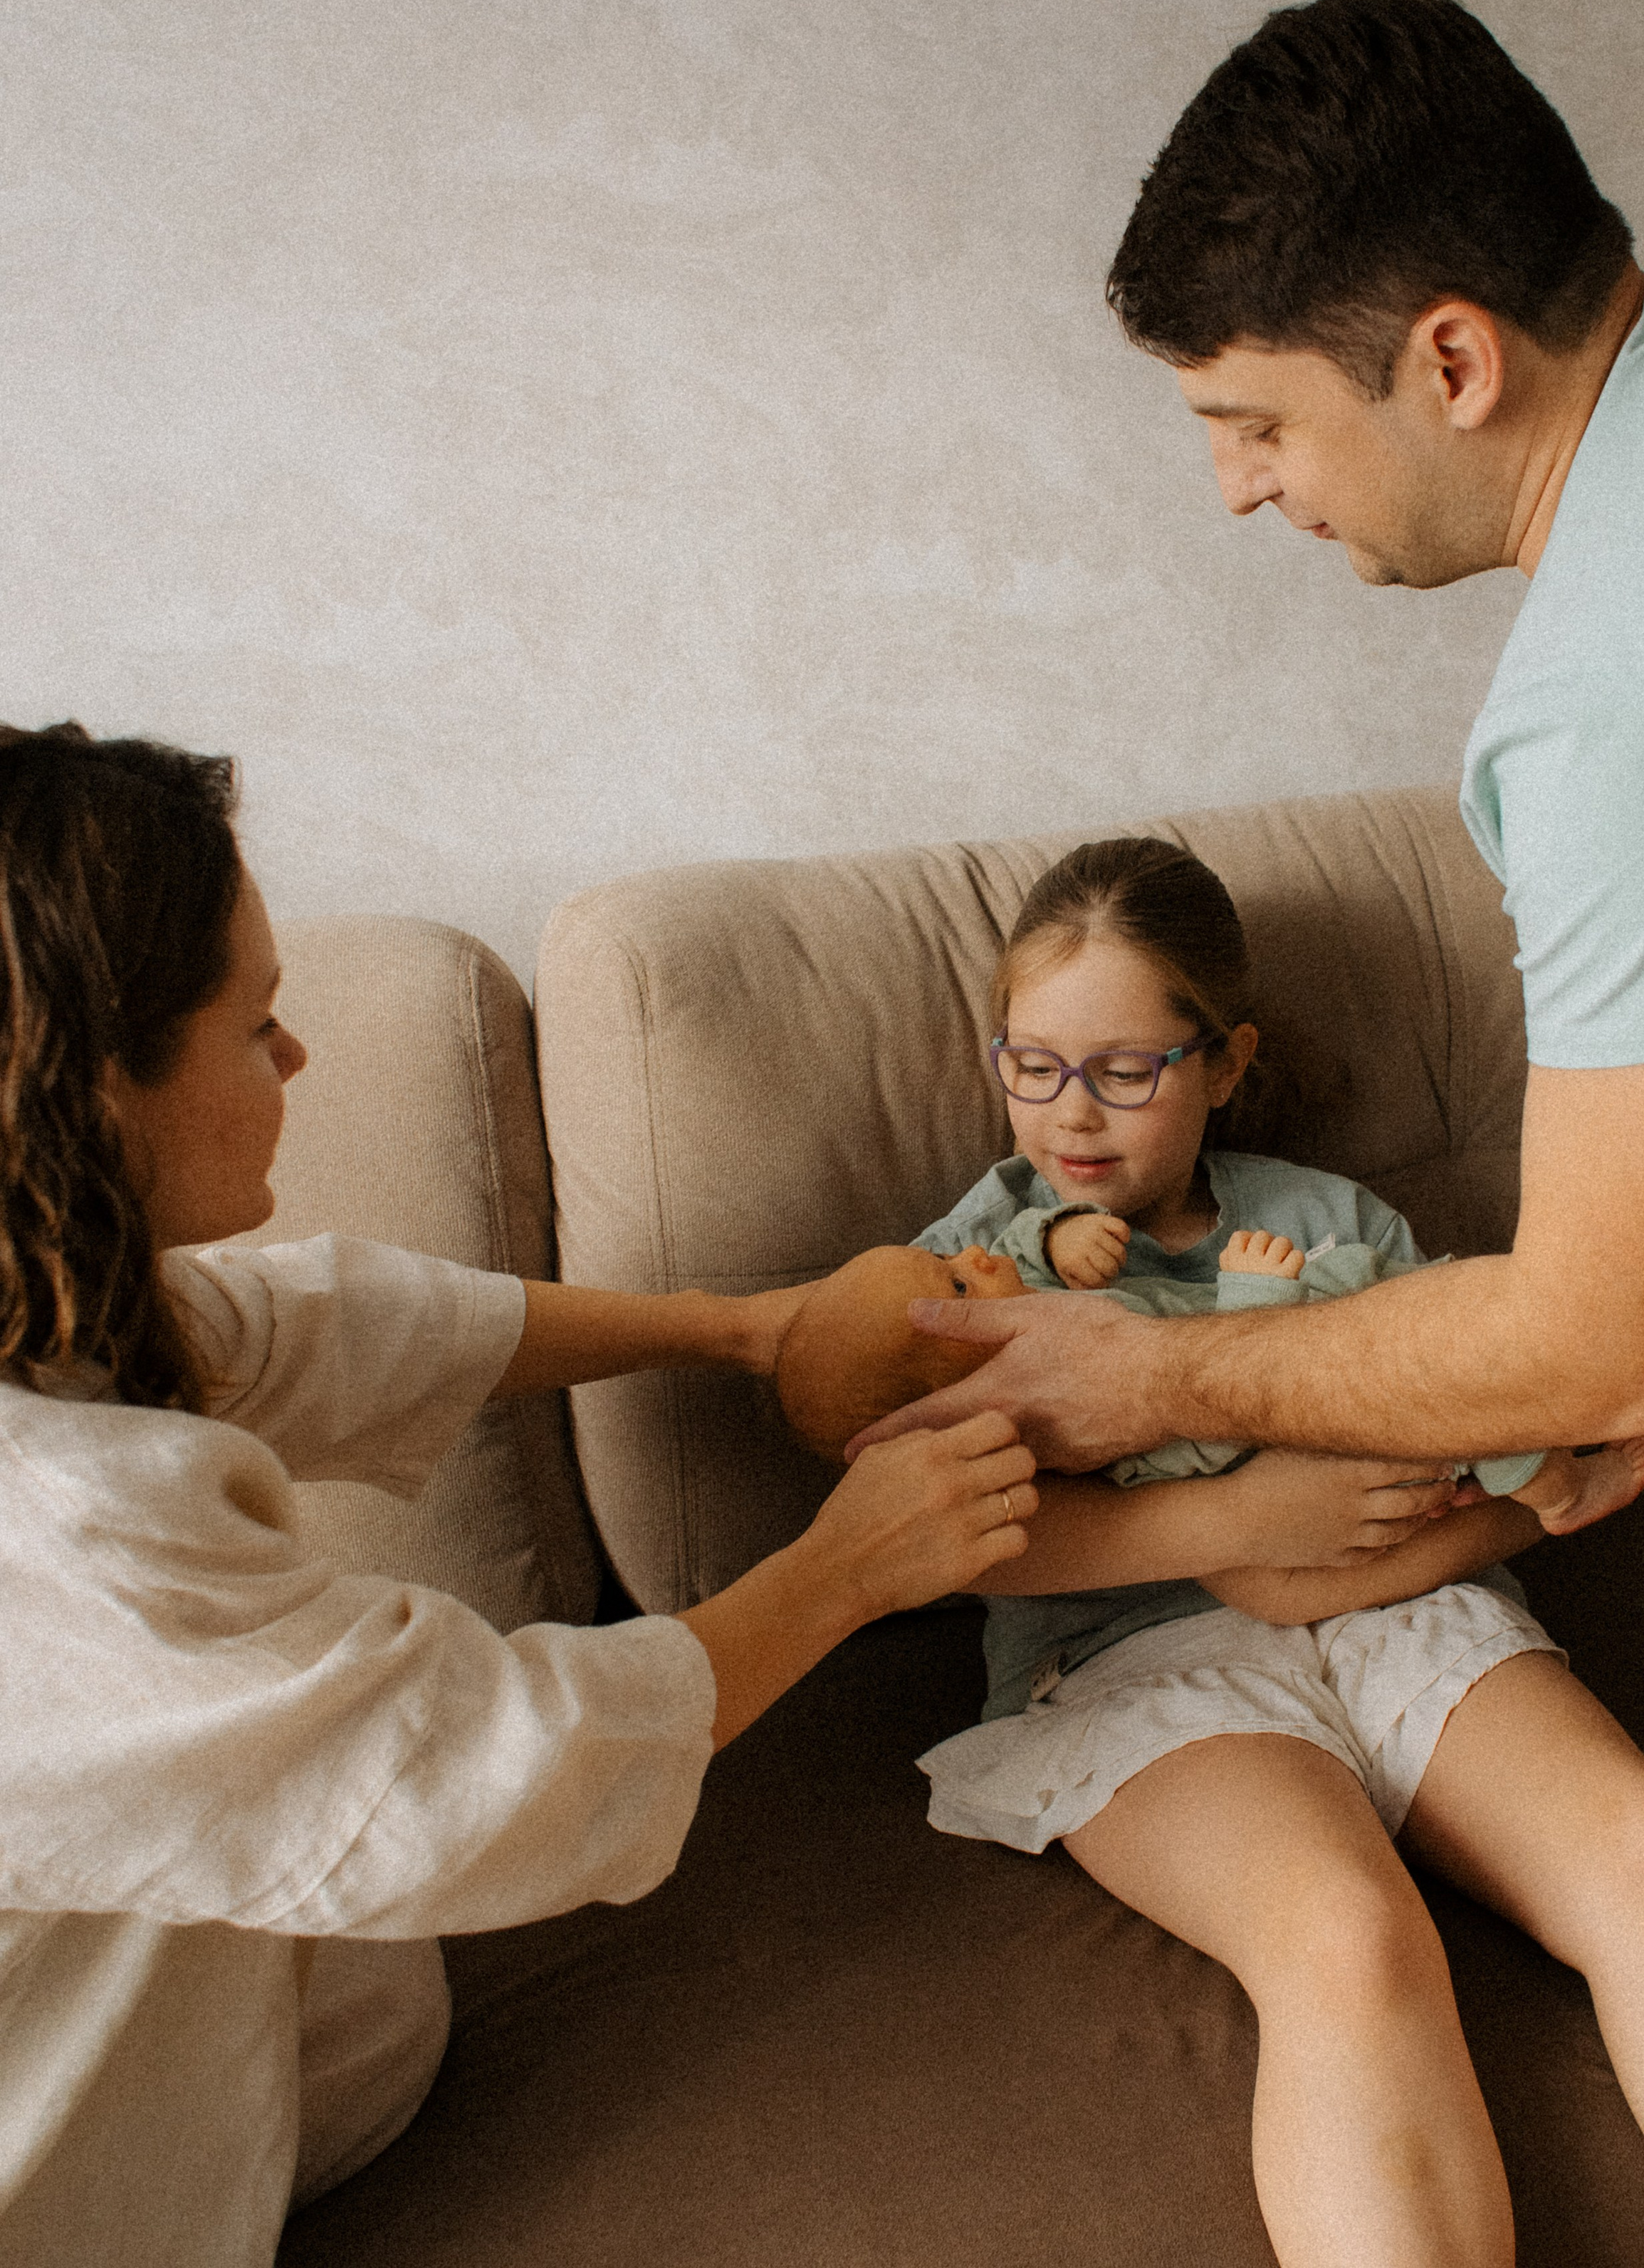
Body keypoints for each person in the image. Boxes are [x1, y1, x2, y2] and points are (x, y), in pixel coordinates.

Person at [0, 721, 1037, 2268]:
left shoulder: (51, 1299)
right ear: (94, 1092)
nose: (295, 1060)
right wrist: (845, 1571)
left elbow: (317, 1324)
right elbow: (475, 1765)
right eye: (256, 1025)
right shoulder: (61, 1541)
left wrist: (734, 1325)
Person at [860, 0, 1644, 1478]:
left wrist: (1159, 1376)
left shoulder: (1624, 705)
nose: (1236, 487)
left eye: (1257, 423)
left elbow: (1615, 1343)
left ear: (1450, 361)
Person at [910, 836, 1644, 2268]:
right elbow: (957, 1544)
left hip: (1409, 1611)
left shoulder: (1334, 1230)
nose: (1068, 1115)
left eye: (1125, 1069)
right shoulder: (972, 1265)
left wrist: (1521, 1506)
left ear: (1221, 1059)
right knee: (1342, 1931)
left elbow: (1468, 1467)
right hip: (1129, 1649)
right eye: (1029, 1064)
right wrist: (1237, 1528)